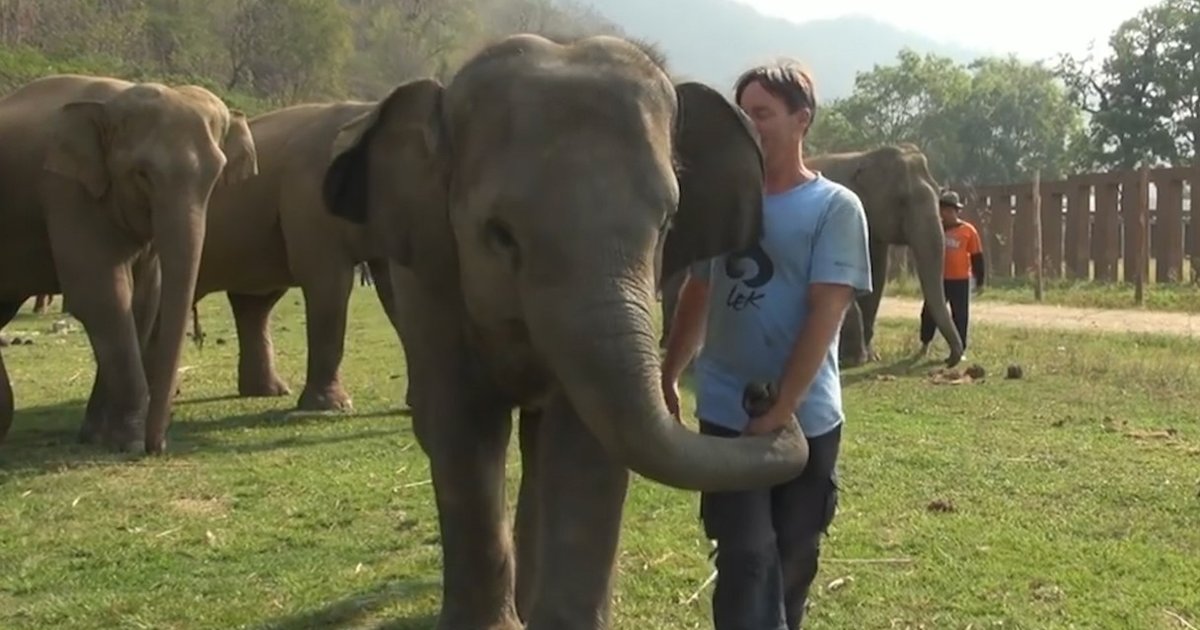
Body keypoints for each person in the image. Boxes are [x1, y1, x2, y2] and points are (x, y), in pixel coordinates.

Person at [661, 59, 872, 630]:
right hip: (730, 410)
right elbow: (699, 291)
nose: (752, 127)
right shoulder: (726, 203)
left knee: (793, 557)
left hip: (807, 417)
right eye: (744, 115)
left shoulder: (834, 208)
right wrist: (668, 373)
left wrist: (781, 409)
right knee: (745, 556)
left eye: (764, 114)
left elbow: (827, 313)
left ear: (801, 120)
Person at [919, 189, 984, 359]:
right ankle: (925, 344)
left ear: (954, 211)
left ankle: (959, 349)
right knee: (929, 312)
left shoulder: (968, 231)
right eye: (941, 210)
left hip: (960, 280)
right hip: (939, 280)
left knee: (960, 315)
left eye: (947, 210)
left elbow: (977, 256)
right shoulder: (936, 229)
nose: (943, 214)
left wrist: (980, 279)